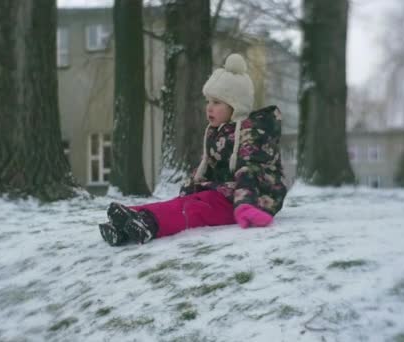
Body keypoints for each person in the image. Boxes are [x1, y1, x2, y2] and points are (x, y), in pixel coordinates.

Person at [99, 53, 288, 246]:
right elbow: (207, 168)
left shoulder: (252, 134)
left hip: (245, 201)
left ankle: (149, 223)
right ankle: (128, 219)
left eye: (216, 102)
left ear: (236, 106)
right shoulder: (220, 132)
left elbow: (251, 170)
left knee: (192, 210)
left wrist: (246, 205)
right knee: (182, 203)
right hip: (221, 194)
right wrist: (190, 188)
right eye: (208, 101)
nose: (209, 108)